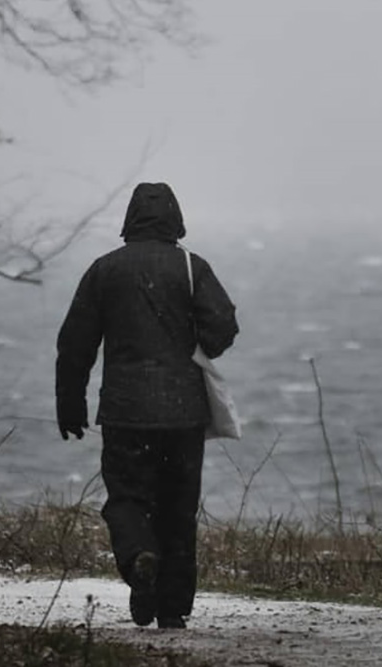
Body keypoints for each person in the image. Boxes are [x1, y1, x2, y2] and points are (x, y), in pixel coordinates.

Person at [54, 182, 238, 630]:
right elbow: (224, 326)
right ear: (176, 219)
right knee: (178, 507)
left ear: (130, 219)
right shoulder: (193, 267)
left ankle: (139, 557)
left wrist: (70, 402)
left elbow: (76, 343)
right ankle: (171, 609)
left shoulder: (105, 270)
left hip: (125, 411)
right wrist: (197, 344)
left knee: (127, 498)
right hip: (183, 412)